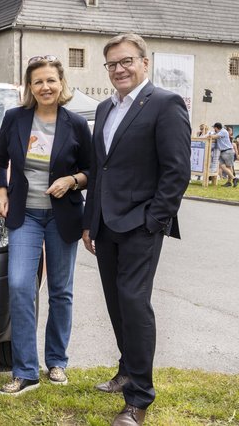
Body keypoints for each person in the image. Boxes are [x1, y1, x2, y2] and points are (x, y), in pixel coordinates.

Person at [82, 33, 191, 425]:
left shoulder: (164, 103)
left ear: (145, 63)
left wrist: (155, 221)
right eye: (112, 64)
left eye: (126, 61)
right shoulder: (105, 108)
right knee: (115, 302)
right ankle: (127, 368)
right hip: (106, 224)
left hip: (141, 224)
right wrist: (89, 222)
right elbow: (100, 170)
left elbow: (177, 170)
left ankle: (139, 399)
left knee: (133, 302)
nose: (119, 69)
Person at [0, 55, 91, 395]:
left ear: (61, 84)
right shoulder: (15, 118)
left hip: (63, 216)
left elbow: (92, 170)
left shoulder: (76, 124)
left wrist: (72, 180)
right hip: (25, 215)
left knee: (61, 291)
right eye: (38, 82)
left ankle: (57, 361)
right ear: (29, 87)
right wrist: (1, 193)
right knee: (20, 286)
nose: (45, 87)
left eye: (51, 80)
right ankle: (25, 371)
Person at [210, 122, 238, 187]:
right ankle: (233, 179)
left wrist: (210, 135)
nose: (214, 129)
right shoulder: (220, 132)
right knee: (223, 166)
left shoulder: (223, 131)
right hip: (223, 152)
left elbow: (215, 137)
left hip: (227, 151)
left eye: (214, 128)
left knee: (228, 167)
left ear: (216, 128)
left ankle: (229, 182)